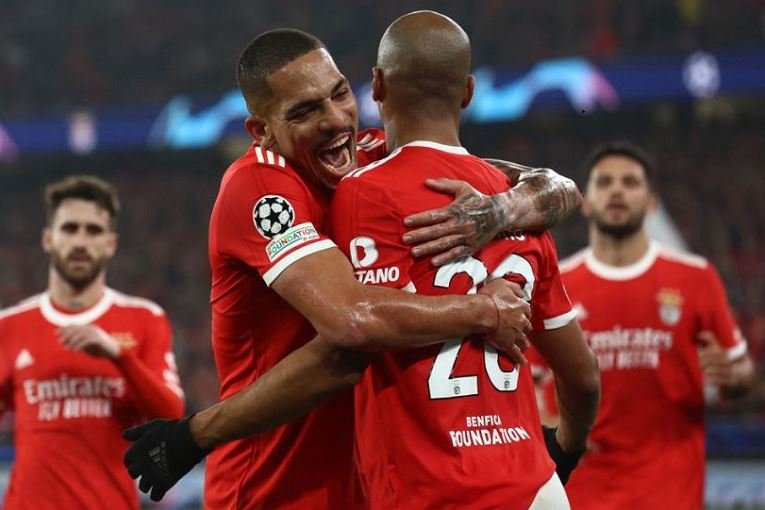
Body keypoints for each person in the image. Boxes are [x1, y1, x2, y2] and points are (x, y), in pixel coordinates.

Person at [123, 27, 582, 509]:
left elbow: (556, 186)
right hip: (271, 490)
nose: (335, 119)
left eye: (339, 93)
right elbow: (350, 323)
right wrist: (484, 312)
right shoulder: (258, 189)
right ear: (262, 131)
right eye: (305, 111)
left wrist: (497, 212)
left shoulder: (371, 153)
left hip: (365, 487)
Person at [325, 11, 599, 509]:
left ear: (378, 85)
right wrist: (566, 448)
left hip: (430, 489)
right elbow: (581, 378)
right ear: (468, 92)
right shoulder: (519, 204)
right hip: (536, 487)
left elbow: (358, 323)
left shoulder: (360, 193)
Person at [533, 141, 755, 509]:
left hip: (670, 493)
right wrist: (550, 425)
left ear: (652, 202)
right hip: (583, 494)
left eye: (630, 182)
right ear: (585, 201)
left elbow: (741, 367)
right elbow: (528, 382)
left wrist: (737, 379)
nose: (617, 190)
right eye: (604, 182)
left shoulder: (695, 278)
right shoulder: (556, 284)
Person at [0, 175, 185, 509]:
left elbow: (172, 416)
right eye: (70, 229)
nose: (81, 241)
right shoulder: (10, 326)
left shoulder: (144, 319)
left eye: (93, 230)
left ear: (111, 244)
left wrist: (120, 356)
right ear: (48, 239)